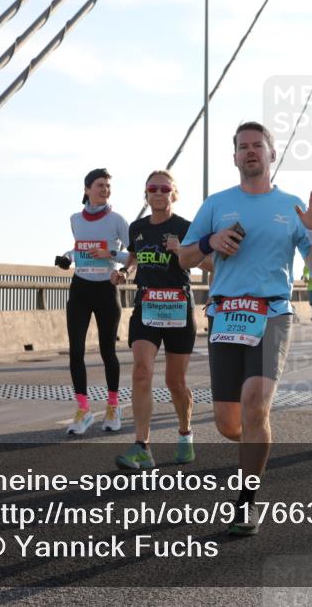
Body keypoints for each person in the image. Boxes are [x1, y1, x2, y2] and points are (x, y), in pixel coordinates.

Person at [178, 121, 312, 536]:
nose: (250, 152)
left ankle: (245, 503)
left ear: (271, 153)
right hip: (225, 315)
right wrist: (211, 241)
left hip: (271, 314)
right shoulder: (216, 204)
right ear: (234, 157)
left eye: (257, 146)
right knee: (231, 423)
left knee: (255, 402)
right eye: (242, 146)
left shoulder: (293, 206)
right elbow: (185, 259)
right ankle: (256, 443)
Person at [114, 170, 205, 469]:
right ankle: (143, 446)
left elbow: (209, 264)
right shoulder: (137, 228)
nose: (158, 193)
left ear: (173, 194)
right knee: (141, 371)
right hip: (147, 307)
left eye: (164, 188)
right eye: (152, 188)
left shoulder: (187, 227)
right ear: (146, 193)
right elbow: (134, 257)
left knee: (175, 382)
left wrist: (181, 250)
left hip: (178, 308)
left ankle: (185, 432)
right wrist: (124, 273)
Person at [54, 168, 129, 435]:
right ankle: (83, 409)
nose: (105, 189)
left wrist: (109, 253)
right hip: (81, 289)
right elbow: (77, 248)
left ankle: (113, 406)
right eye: (100, 185)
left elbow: (132, 255)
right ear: (87, 189)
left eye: (108, 185)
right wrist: (66, 257)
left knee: (107, 351)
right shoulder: (75, 219)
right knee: (76, 350)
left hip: (106, 290)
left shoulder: (118, 220)